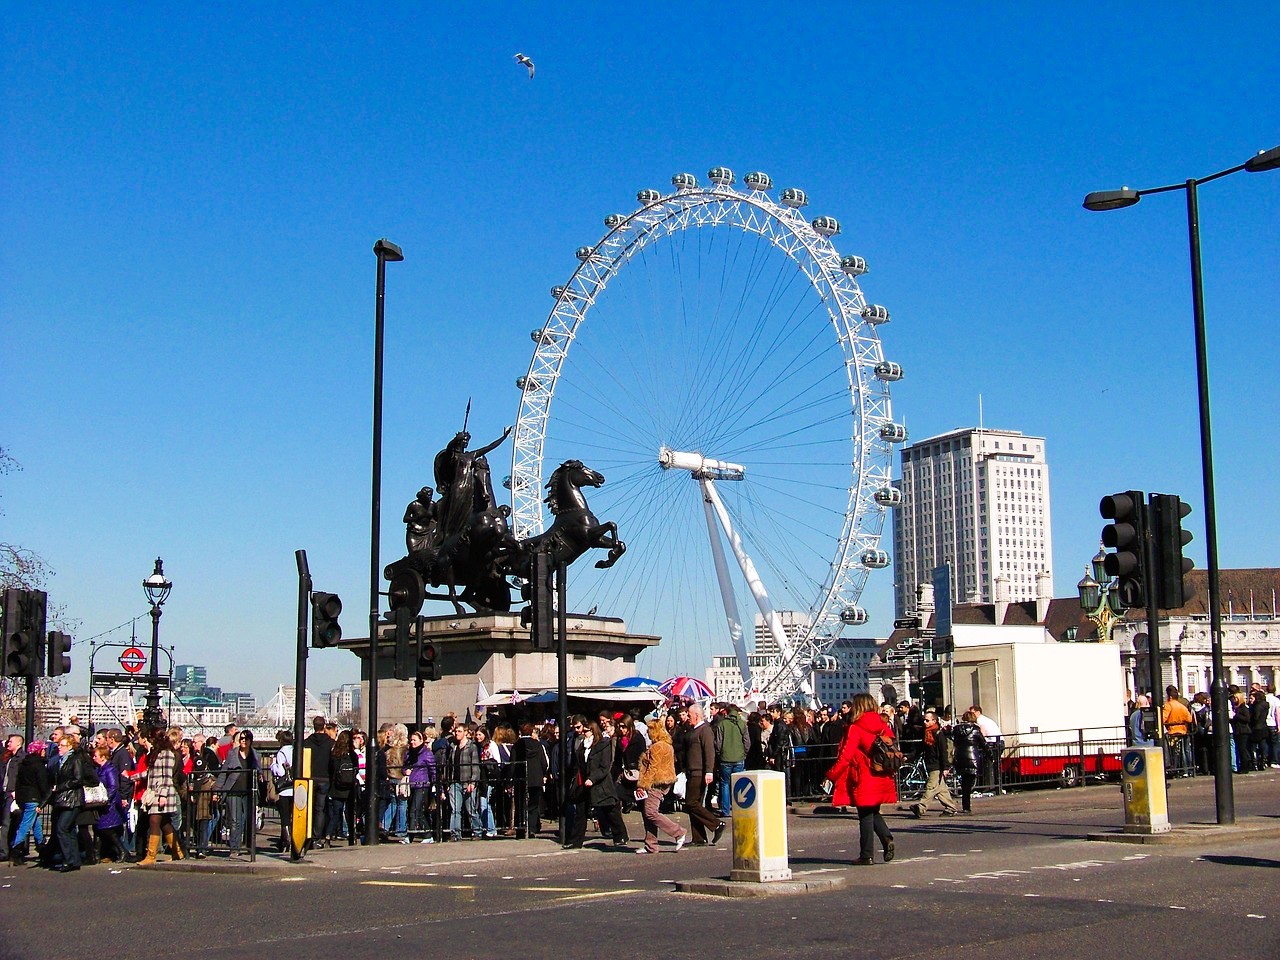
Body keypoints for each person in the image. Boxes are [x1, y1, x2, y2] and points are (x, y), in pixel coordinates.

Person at [826, 693, 897, 865]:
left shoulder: (855, 727)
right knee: (873, 811)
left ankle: (867, 855)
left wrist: (831, 775)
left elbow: (846, 756)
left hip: (863, 775)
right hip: (881, 773)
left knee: (865, 814)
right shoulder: (882, 725)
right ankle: (886, 838)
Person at [564, 718, 627, 849]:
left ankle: (620, 835)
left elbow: (604, 767)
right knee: (580, 812)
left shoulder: (603, 745)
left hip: (601, 784)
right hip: (584, 784)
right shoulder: (582, 745)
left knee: (610, 810)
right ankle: (575, 841)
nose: (583, 733)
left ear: (593, 731)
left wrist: (593, 778)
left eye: (586, 731)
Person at [635, 719, 686, 854]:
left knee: (651, 812)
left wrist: (643, 785)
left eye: (650, 730)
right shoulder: (666, 745)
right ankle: (651, 845)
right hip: (663, 780)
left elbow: (653, 767)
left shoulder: (658, 747)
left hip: (656, 782)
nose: (648, 733)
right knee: (648, 812)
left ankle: (678, 832)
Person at [137, 725, 184, 865]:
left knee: (154, 821)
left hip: (162, 792)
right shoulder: (156, 753)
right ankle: (177, 852)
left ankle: (151, 855)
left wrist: (163, 795)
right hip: (155, 791)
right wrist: (133, 776)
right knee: (164, 823)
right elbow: (150, 773)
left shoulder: (167, 753)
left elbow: (166, 776)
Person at [680, 704, 724, 846]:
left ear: (697, 715)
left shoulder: (705, 730)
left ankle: (716, 824)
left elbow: (709, 751)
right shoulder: (692, 730)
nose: (688, 717)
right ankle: (699, 837)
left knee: (691, 803)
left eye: (689, 714)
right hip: (691, 771)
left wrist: (709, 771)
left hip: (700, 772)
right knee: (694, 804)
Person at [214, 729, 259, 859]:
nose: (243, 741)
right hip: (233, 791)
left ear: (251, 741)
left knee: (248, 820)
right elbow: (223, 772)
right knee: (235, 820)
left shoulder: (255, 755)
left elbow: (259, 771)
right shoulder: (232, 754)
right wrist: (218, 789)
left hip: (249, 791)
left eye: (246, 739)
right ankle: (234, 848)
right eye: (241, 739)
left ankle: (250, 846)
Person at [910, 707, 958, 818]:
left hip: (937, 765)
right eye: (924, 720)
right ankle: (951, 808)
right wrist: (910, 757)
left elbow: (943, 751)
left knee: (931, 787)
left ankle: (920, 808)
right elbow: (921, 748)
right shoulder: (926, 733)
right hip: (930, 764)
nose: (924, 722)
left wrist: (946, 767)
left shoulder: (938, 734)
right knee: (941, 789)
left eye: (927, 720)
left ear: (934, 721)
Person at [10, 740, 51, 865]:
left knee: (36, 823)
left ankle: (41, 847)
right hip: (33, 798)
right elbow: (43, 784)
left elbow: (18, 782)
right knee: (26, 825)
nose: (44, 752)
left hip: (23, 798)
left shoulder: (23, 764)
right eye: (43, 750)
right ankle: (15, 851)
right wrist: (46, 797)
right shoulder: (38, 766)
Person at [443, 724, 483, 840]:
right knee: (455, 810)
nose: (457, 733)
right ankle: (455, 834)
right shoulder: (453, 746)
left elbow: (475, 766)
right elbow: (449, 765)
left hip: (467, 782)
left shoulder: (472, 747)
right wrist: (448, 782)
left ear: (466, 732)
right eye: (456, 731)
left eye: (459, 731)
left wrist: (473, 782)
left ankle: (477, 831)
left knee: (471, 809)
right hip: (455, 782)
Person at [92, 744, 128, 863]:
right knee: (98, 829)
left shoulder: (110, 769)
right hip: (101, 803)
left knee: (107, 829)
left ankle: (122, 851)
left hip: (109, 804)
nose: (93, 758)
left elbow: (113, 786)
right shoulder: (99, 769)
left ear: (103, 757)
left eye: (96, 755)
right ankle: (96, 855)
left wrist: (105, 799)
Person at [302, 716, 334, 842]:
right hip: (325, 778)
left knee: (309, 807)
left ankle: (308, 832)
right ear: (324, 726)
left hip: (310, 777)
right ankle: (317, 834)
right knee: (320, 808)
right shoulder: (330, 743)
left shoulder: (307, 742)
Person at [951, 710, 987, 814]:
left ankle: (965, 805)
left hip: (960, 757)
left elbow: (954, 741)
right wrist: (990, 756)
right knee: (969, 782)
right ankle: (966, 806)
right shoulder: (976, 730)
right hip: (972, 757)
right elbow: (983, 744)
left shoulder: (956, 729)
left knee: (964, 782)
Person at [404, 729, 437, 843]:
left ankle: (426, 835)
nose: (412, 742)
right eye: (411, 740)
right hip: (411, 785)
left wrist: (435, 785)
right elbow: (404, 766)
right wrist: (405, 771)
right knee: (412, 811)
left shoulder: (427, 754)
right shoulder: (409, 753)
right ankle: (411, 835)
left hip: (422, 785)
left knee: (417, 811)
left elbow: (433, 770)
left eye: (415, 740)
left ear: (421, 740)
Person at [714, 704, 748, 815]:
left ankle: (725, 809)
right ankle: (738, 808)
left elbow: (718, 743)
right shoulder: (742, 724)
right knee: (738, 784)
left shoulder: (722, 724)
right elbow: (747, 742)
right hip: (739, 758)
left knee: (725, 784)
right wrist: (744, 753)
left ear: (727, 712)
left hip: (725, 758)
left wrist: (720, 754)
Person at [328, 730, 360, 844]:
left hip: (337, 787)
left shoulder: (335, 755)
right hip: (350, 787)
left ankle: (328, 834)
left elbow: (331, 770)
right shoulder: (353, 755)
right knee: (350, 813)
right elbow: (357, 769)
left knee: (336, 813)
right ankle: (352, 835)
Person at [269, 731, 294, 854]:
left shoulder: (281, 752)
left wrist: (273, 764)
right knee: (293, 816)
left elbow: (280, 772)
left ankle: (287, 840)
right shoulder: (296, 750)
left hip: (285, 789)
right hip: (296, 787)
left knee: (284, 818)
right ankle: (289, 840)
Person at [971, 705, 1005, 793]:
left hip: (994, 743)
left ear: (978, 712)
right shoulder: (985, 719)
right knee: (994, 765)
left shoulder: (980, 720)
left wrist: (980, 740)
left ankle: (990, 787)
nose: (972, 715)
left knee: (989, 765)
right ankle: (997, 787)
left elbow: (983, 732)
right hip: (998, 742)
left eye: (972, 712)